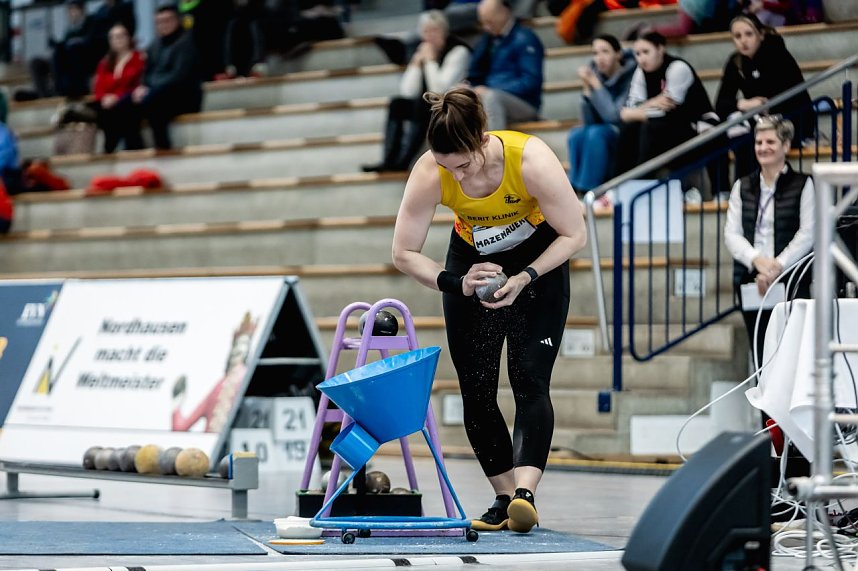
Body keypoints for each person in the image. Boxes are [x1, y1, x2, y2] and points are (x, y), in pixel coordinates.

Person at [392, 87, 586, 533]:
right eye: (446, 168)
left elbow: (574, 234)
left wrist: (526, 278)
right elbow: (404, 252)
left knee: (529, 378)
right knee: (475, 388)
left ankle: (525, 493)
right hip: (471, 262)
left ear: (482, 140)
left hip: (538, 261)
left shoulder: (530, 159)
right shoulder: (431, 171)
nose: (456, 178)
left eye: (462, 165)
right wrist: (457, 283)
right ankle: (503, 495)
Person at [724, 115, 813, 370]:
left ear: (786, 146)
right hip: (752, 281)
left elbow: (808, 232)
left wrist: (778, 266)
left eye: (770, 141)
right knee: (761, 357)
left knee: (791, 358)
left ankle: (787, 412)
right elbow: (732, 234)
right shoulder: (742, 186)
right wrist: (758, 262)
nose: (763, 147)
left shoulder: (804, 184)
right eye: (759, 142)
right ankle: (766, 413)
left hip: (791, 282)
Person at [362, 10, 470, 173]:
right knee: (398, 104)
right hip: (427, 106)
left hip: (451, 106)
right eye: (426, 31)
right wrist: (415, 64)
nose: (430, 36)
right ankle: (389, 160)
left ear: (444, 31)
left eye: (435, 30)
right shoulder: (423, 53)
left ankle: (404, 161)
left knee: (423, 105)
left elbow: (439, 91)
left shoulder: (459, 51)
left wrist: (430, 61)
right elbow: (407, 91)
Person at [715, 13, 813, 179]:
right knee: (734, 132)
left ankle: (752, 189)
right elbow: (721, 103)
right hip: (758, 118)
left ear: (760, 34)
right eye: (737, 36)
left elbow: (790, 97)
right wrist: (744, 104)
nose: (743, 41)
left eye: (748, 34)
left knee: (751, 136)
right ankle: (737, 190)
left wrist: (762, 107)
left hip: (793, 119)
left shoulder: (777, 54)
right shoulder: (735, 62)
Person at [617, 31, 720, 185]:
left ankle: (640, 182)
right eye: (637, 54)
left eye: (646, 52)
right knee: (628, 129)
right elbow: (633, 105)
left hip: (695, 126)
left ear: (660, 49)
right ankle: (619, 184)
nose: (641, 58)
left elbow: (667, 111)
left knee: (649, 127)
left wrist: (633, 113)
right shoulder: (640, 72)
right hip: (668, 128)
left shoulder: (678, 67)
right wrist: (653, 102)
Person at [566, 34, 635, 193]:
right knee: (576, 134)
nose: (600, 58)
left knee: (596, 134)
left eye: (605, 51)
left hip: (625, 130)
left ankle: (589, 190)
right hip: (602, 128)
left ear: (618, 54)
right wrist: (586, 89)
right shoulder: (595, 74)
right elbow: (588, 120)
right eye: (595, 53)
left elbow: (614, 116)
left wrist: (596, 85)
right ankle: (574, 188)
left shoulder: (631, 76)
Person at [129, 4, 202, 150]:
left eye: (167, 20)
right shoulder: (154, 45)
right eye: (159, 22)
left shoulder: (186, 43)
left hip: (183, 94)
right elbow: (146, 73)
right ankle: (135, 149)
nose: (163, 25)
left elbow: (179, 76)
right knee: (126, 104)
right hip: (158, 91)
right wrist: (142, 87)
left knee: (154, 102)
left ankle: (163, 147)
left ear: (177, 20)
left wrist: (150, 88)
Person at [466, 0, 544, 131]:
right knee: (458, 96)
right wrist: (471, 87)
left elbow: (530, 81)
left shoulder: (525, 39)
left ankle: (494, 148)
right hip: (491, 93)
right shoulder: (489, 40)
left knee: (491, 97)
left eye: (489, 21)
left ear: (502, 13)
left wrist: (490, 90)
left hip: (523, 102)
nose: (486, 27)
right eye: (483, 23)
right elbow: (475, 72)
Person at [92, 24, 145, 153]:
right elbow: (98, 87)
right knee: (99, 108)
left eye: (121, 36)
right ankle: (111, 146)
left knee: (123, 108)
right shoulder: (104, 63)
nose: (118, 39)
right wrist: (104, 98)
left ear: (128, 38)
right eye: (114, 37)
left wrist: (116, 97)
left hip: (129, 100)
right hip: (108, 103)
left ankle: (123, 146)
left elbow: (139, 84)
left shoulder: (139, 58)